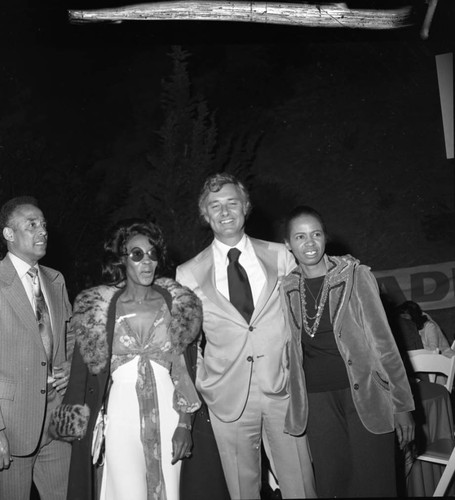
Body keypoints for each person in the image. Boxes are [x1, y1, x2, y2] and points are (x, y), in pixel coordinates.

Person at [176, 173, 316, 500]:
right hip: (228, 398)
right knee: (242, 491)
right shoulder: (187, 272)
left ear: (246, 207)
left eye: (232, 203)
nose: (225, 212)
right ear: (205, 215)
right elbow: (187, 344)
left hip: (282, 390)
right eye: (215, 205)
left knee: (302, 485)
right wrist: (206, 386)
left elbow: (302, 318)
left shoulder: (281, 255)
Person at [49, 218, 202, 500]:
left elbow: (183, 371)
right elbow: (88, 370)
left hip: (169, 411)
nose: (147, 261)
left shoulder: (175, 303)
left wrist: (184, 424)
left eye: (153, 254)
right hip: (120, 415)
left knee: (173, 491)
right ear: (122, 259)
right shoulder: (99, 307)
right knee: (126, 492)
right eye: (137, 254)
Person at [282, 205, 415, 498]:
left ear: (325, 238)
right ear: (288, 244)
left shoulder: (355, 275)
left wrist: (403, 404)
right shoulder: (287, 287)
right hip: (317, 401)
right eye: (300, 237)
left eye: (316, 234)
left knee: (376, 483)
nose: (310, 243)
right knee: (333, 485)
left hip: (366, 394)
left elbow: (385, 343)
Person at [0, 196, 72, 500]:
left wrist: (69, 367)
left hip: (58, 421)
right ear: (8, 234)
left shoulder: (55, 280)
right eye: (32, 224)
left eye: (43, 224)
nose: (42, 230)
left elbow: (69, 337)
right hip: (12, 424)